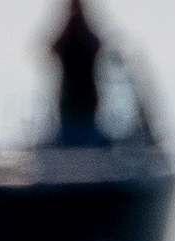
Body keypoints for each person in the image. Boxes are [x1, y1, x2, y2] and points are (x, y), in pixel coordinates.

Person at [45, 1, 112, 146]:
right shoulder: (77, 35)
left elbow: (51, 48)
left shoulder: (77, 36)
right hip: (74, 102)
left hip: (81, 101)